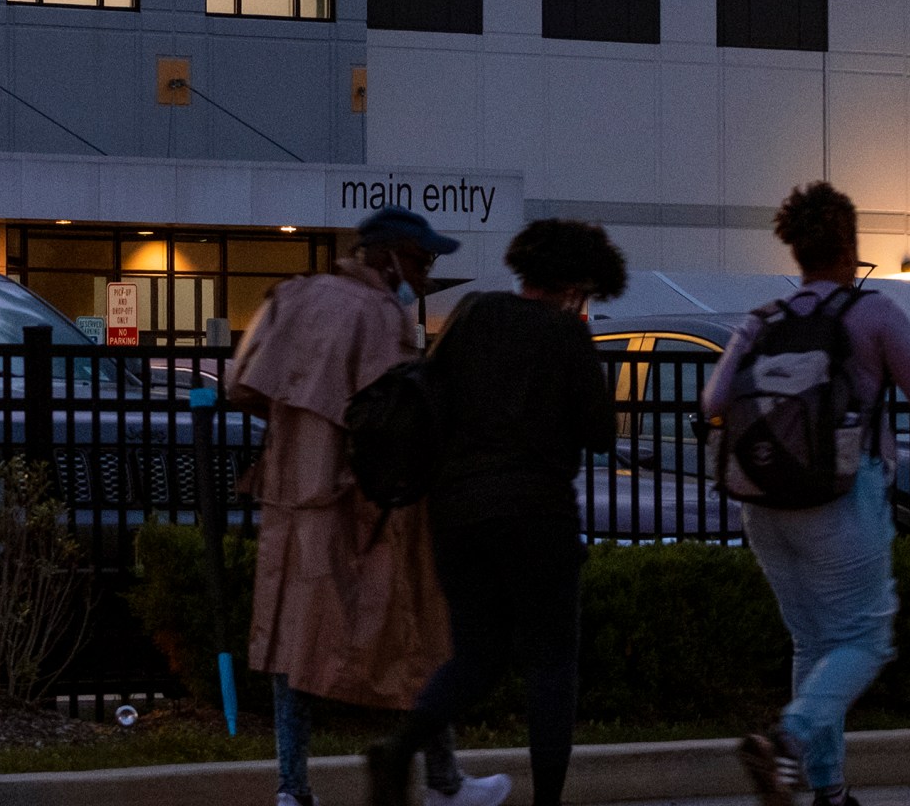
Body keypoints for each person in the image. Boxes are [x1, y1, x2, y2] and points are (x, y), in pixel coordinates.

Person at [712, 183, 910, 806]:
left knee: (815, 643)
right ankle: (789, 741)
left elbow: (714, 401)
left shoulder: (761, 319)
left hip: (761, 506)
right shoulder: (871, 314)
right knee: (867, 640)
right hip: (843, 500)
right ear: (849, 246)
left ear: (797, 251)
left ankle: (828, 789)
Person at [231, 207, 509, 806]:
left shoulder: (292, 296)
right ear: (388, 256)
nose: (425, 271)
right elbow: (397, 418)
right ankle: (444, 780)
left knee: (292, 646)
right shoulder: (380, 313)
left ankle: (291, 787)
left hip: (289, 497)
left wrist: (300, 436)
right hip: (365, 505)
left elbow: (243, 384)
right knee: (418, 634)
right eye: (421, 258)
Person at [368, 219, 623, 806]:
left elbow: (431, 395)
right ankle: (547, 800)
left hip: (458, 514)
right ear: (575, 282)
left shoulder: (475, 314)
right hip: (539, 515)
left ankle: (403, 744)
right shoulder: (567, 336)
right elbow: (602, 435)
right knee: (551, 663)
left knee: (477, 653)